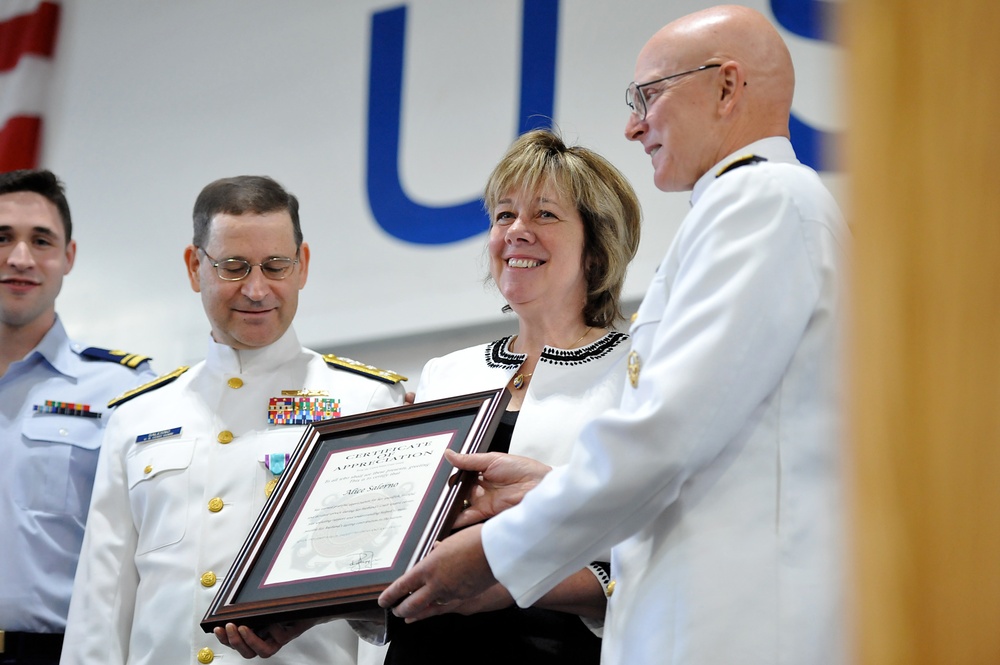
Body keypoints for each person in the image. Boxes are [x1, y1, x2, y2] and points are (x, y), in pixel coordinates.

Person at [379, 5, 850, 665]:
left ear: (727, 86)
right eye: (505, 214)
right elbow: (701, 445)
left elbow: (668, 431)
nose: (633, 126)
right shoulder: (746, 206)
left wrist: (495, 551)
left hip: (732, 629)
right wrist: (545, 489)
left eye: (648, 97)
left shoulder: (761, 201)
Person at [214, 129, 642, 665]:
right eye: (504, 215)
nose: (516, 232)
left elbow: (648, 558)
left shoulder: (635, 372)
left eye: (545, 216)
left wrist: (501, 582)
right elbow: (402, 545)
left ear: (597, 246)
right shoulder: (446, 374)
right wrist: (309, 607)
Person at [60, 175, 407, 665]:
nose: (257, 288)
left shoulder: (364, 401)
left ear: (302, 266)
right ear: (193, 266)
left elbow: (381, 593)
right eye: (233, 267)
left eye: (275, 265)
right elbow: (102, 599)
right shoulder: (138, 415)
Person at [0, 169, 155, 665]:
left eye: (40, 240)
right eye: (2, 238)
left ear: (68, 257)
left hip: (58, 654)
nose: (19, 258)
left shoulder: (126, 390)